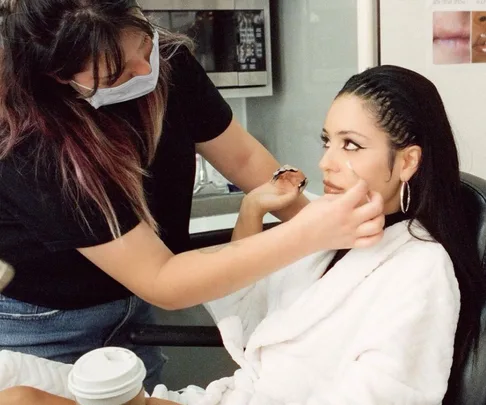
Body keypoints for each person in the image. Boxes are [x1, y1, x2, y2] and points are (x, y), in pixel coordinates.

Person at [2, 64, 484, 405]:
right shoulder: (331, 232)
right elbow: (255, 328)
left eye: (351, 146)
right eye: (327, 142)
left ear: (407, 161)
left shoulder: (422, 268)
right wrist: (252, 209)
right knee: (13, 386)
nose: (325, 163)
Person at [0, 0, 385, 393]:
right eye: (116, 74)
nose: (145, 71)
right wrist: (312, 234)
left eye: (144, 46)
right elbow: (161, 279)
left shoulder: (170, 63)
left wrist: (327, 233)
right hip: (44, 327)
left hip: (131, 309)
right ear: (57, 77)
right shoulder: (30, 146)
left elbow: (244, 157)